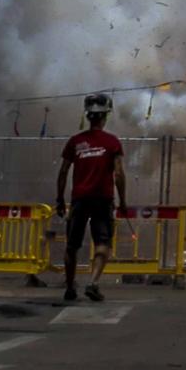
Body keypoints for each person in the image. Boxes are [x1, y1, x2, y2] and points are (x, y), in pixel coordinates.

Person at [55, 92, 127, 303]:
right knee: (103, 243)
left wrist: (59, 198)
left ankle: (70, 287)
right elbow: (119, 174)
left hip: (79, 199)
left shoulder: (75, 141)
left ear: (88, 116)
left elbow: (63, 171)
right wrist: (123, 201)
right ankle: (93, 283)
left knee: (72, 245)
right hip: (103, 199)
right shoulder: (112, 142)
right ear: (105, 116)